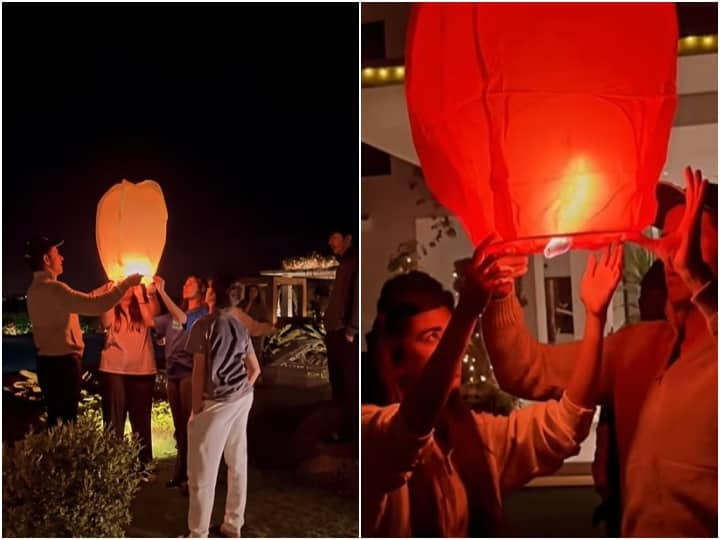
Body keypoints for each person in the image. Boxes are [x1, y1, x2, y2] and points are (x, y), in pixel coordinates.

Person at [482, 167, 717, 537]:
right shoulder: (636, 348)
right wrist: (500, 291)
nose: (673, 250)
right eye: (668, 236)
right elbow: (524, 370)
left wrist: (702, 285)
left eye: (690, 235)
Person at [362, 237, 623, 537]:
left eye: (449, 335)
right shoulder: (370, 432)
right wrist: (468, 309)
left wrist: (595, 315)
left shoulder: (473, 436)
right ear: (396, 355)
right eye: (432, 337)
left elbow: (564, 426)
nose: (454, 351)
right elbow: (409, 431)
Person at [24, 235, 142, 427]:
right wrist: (126, 284)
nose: (62, 258)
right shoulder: (55, 289)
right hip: (64, 365)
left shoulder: (34, 290)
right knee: (67, 421)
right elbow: (95, 305)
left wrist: (107, 287)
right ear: (46, 260)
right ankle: (67, 456)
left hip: (45, 363)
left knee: (56, 419)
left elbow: (82, 300)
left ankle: (55, 454)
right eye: (57, 254)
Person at [184, 275, 262, 538]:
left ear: (212, 295)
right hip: (241, 399)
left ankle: (198, 533)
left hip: (216, 403)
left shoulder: (202, 325)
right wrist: (242, 391)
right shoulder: (240, 327)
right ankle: (232, 525)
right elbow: (255, 369)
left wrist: (197, 410)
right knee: (236, 463)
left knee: (201, 473)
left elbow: (198, 372)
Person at [150, 274, 209, 491]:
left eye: (191, 283)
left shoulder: (202, 314)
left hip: (188, 373)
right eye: (184, 282)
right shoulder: (172, 315)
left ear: (201, 290)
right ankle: (180, 473)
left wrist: (161, 291)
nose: (185, 285)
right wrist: (148, 295)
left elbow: (185, 321)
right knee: (180, 428)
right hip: (172, 374)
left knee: (190, 425)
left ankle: (191, 476)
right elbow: (151, 320)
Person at [98, 282, 157, 466]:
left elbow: (150, 321)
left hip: (142, 370)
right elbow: (105, 322)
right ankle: (113, 465)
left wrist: (141, 297)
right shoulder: (111, 306)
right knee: (113, 421)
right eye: (123, 283)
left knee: (141, 422)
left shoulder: (144, 304)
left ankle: (144, 465)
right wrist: (110, 294)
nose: (127, 287)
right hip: (113, 369)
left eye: (130, 284)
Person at [324, 225, 359, 443]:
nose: (330, 242)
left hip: (344, 334)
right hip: (335, 332)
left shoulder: (354, 263)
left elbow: (356, 295)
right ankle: (340, 430)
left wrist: (351, 330)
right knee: (338, 385)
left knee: (348, 386)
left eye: (334, 237)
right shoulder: (344, 264)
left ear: (348, 238)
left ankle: (350, 434)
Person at [240, 285, 270, 364]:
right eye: (251, 291)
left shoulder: (260, 306)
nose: (252, 293)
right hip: (244, 333)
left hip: (256, 335)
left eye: (254, 291)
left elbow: (265, 320)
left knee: (256, 353)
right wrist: (250, 302)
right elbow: (242, 315)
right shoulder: (243, 303)